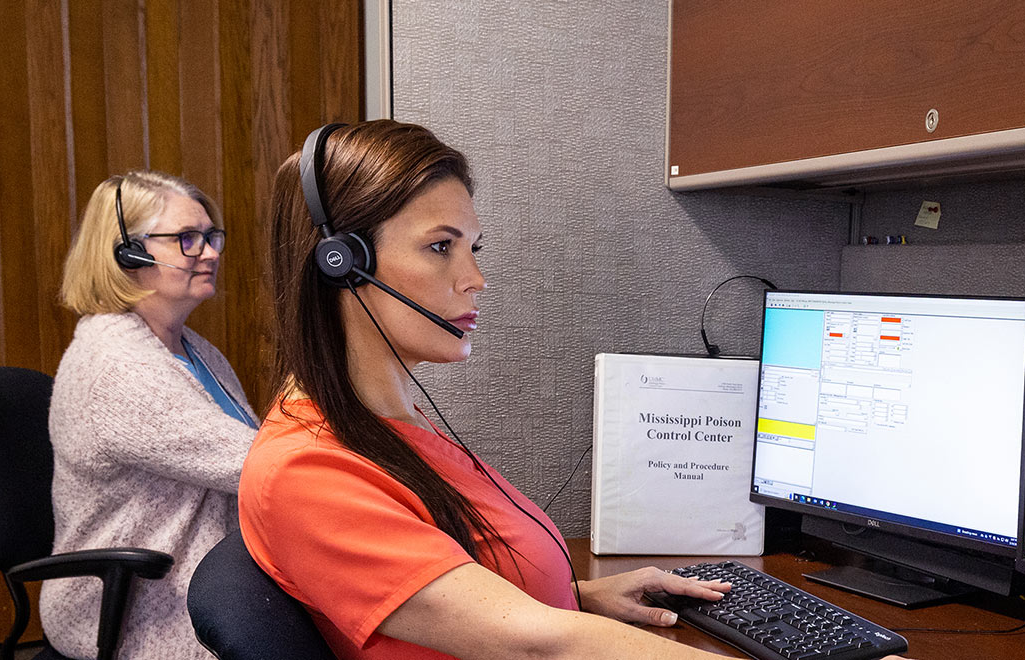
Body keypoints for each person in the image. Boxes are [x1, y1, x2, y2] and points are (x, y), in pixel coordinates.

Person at [244, 120, 839, 660]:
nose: (474, 279)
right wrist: (553, 617)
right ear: (341, 263)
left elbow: (439, 592)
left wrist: (576, 594)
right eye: (440, 246)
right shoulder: (308, 471)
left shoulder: (391, 423)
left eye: (472, 249)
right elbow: (534, 645)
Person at [48, 171, 259, 659]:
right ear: (128, 253)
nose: (210, 252)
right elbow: (249, 462)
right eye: (187, 239)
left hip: (200, 575)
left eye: (211, 236)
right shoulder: (117, 365)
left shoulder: (192, 348)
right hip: (136, 605)